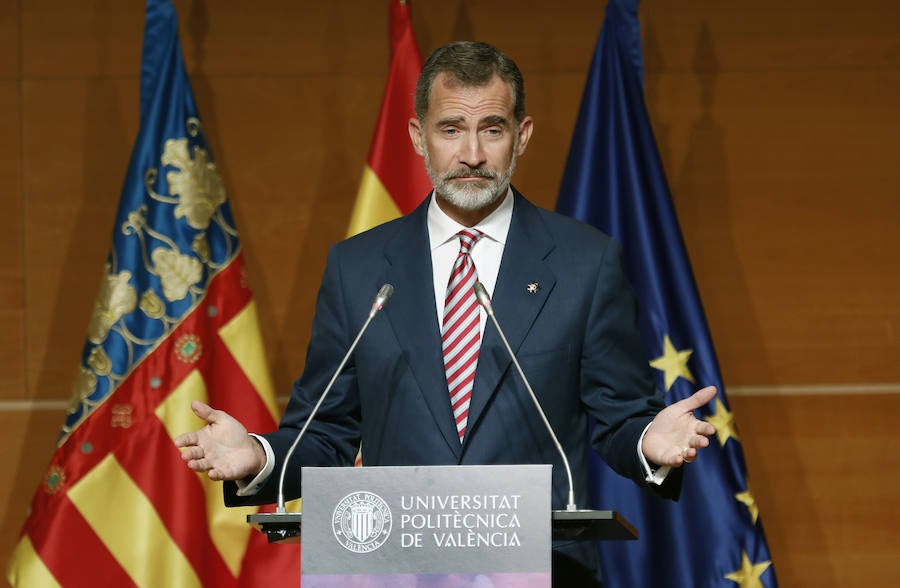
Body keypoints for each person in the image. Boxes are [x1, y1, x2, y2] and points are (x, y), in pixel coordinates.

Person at [175, 41, 716, 586]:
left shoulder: (585, 263)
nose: (473, 155)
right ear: (419, 138)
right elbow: (326, 429)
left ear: (521, 136)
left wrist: (648, 441)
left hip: (541, 570)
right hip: (396, 571)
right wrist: (260, 457)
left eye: (493, 130)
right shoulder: (358, 268)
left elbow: (620, 414)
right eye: (452, 129)